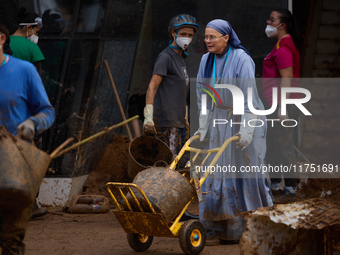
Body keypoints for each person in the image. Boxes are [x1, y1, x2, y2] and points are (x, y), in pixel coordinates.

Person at [195, 19, 273, 244]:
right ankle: (218, 228)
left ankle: (253, 229)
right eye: (206, 37)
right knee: (218, 170)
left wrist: (247, 130)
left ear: (226, 38)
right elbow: (202, 95)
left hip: (246, 115)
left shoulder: (242, 59)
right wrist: (202, 125)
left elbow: (248, 97)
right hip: (221, 118)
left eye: (212, 37)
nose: (208, 41)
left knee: (248, 171)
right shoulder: (205, 60)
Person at [0, 23, 55, 254]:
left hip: (15, 164)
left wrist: (33, 122)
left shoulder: (24, 71)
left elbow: (47, 112)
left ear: (2, 38)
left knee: (11, 239)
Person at [143, 14, 198, 165]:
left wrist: (185, 116)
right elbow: (152, 86)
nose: (187, 38)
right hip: (167, 122)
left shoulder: (180, 58)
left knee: (178, 163)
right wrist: (148, 115)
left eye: (190, 35)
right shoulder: (165, 57)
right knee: (169, 165)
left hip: (178, 121)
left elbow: (179, 91)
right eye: (183, 34)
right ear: (174, 33)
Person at [262, 9, 301, 197]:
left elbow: (287, 79)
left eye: (272, 19)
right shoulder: (280, 44)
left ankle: (291, 187)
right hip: (277, 103)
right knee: (273, 143)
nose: (268, 22)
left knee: (283, 144)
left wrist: (282, 108)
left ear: (282, 25)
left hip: (284, 104)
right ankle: (276, 184)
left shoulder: (284, 48)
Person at [9, 7, 44, 75]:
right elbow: (36, 77)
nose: (36, 35)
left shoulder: (3, 42)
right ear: (28, 27)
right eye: (36, 32)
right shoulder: (33, 47)